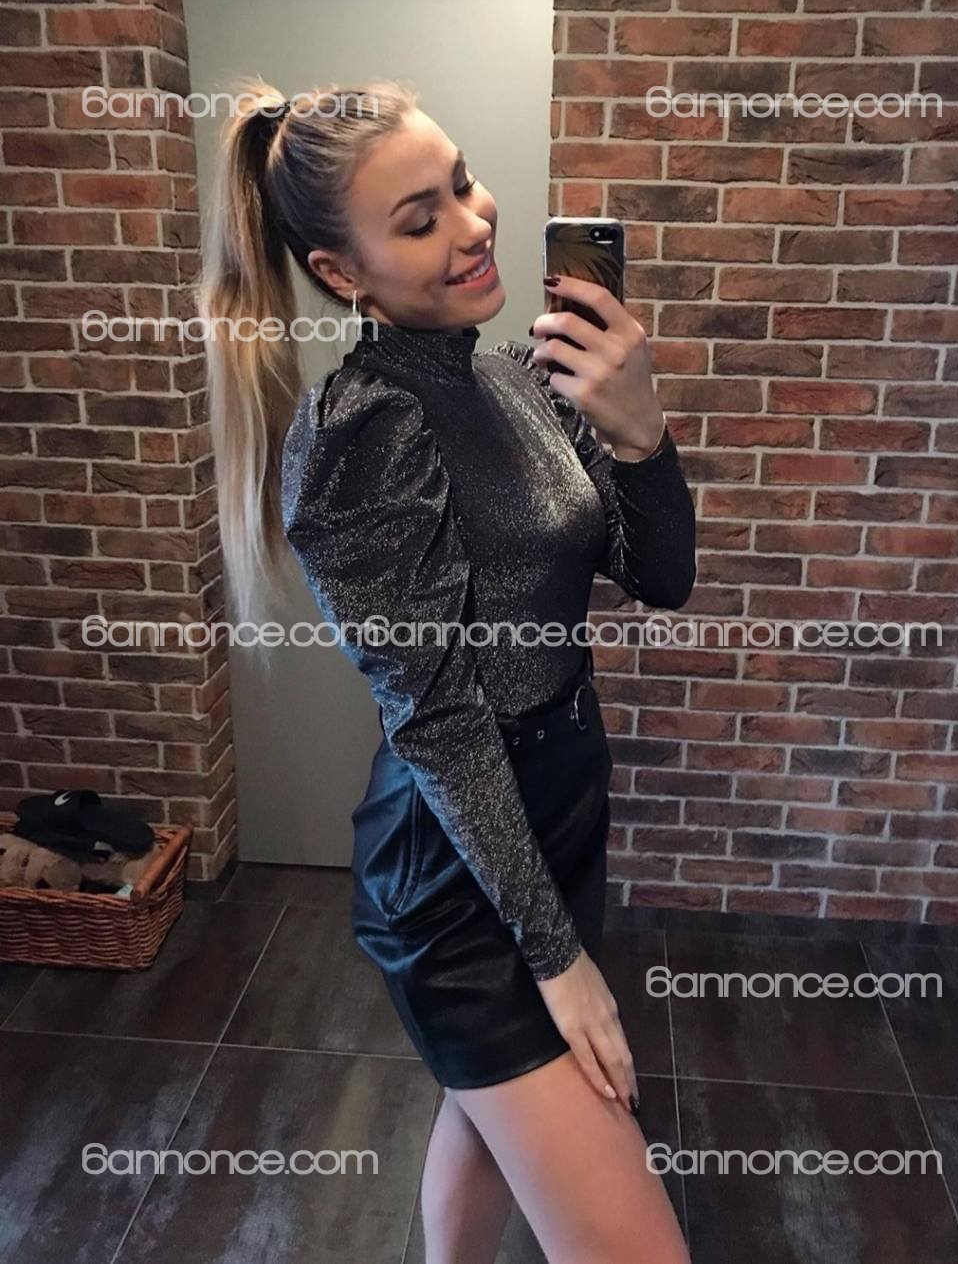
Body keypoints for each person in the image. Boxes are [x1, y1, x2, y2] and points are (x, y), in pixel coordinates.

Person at [201, 75, 697, 1264]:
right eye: (420, 220)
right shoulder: (362, 431)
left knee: (483, 1120)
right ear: (343, 273)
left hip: (558, 811)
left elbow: (659, 576)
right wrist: (557, 963)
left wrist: (641, 435)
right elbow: (436, 720)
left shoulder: (517, 377)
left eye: (462, 185)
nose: (473, 225)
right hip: (458, 869)